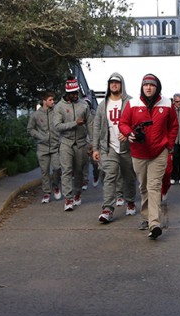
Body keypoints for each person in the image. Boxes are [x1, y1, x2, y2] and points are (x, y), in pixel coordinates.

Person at [119, 73, 178, 240]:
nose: (148, 87)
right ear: (142, 87)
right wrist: (129, 133)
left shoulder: (167, 103)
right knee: (144, 186)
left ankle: (154, 223)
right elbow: (123, 123)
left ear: (157, 87)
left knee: (154, 186)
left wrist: (169, 145)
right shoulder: (132, 104)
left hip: (159, 152)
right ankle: (145, 216)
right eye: (145, 85)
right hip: (138, 152)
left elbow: (174, 125)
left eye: (152, 85)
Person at [92, 72, 137, 223]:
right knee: (109, 175)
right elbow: (96, 126)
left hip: (127, 147)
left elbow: (137, 122)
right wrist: (95, 148)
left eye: (117, 82)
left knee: (129, 177)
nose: (114, 85)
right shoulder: (102, 104)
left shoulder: (130, 102)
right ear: (108, 85)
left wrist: (128, 132)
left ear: (121, 84)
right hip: (108, 147)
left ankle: (130, 201)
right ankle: (107, 209)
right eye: (111, 82)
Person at [55, 77, 94, 211]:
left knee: (79, 170)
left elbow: (90, 124)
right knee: (66, 170)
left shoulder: (84, 105)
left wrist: (93, 143)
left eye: (76, 92)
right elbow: (57, 126)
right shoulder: (59, 107)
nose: (75, 95)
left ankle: (77, 193)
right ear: (67, 93)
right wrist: (74, 124)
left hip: (81, 143)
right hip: (66, 142)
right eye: (72, 93)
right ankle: (68, 199)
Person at [27, 90, 61, 204]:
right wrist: (40, 137)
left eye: (53, 99)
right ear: (44, 101)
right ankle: (47, 193)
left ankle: (55, 185)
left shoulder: (56, 112)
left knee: (57, 168)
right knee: (44, 171)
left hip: (56, 146)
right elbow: (30, 129)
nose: (53, 102)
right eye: (50, 100)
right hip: (42, 147)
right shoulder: (36, 115)